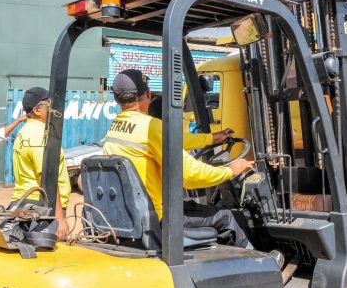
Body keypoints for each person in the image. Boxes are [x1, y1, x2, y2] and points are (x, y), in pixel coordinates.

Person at [103, 69, 254, 248]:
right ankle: (263, 267)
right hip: (158, 218)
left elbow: (174, 139)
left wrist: (212, 138)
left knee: (191, 205)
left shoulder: (115, 127)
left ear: (116, 99)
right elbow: (190, 177)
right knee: (226, 217)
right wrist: (230, 171)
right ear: (148, 94)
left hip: (132, 213)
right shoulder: (153, 127)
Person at [11, 87, 71, 238]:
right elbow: (47, 178)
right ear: (37, 110)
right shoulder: (39, 135)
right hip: (41, 208)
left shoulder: (24, 132)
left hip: (27, 202)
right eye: (49, 105)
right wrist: (59, 218)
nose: (54, 109)